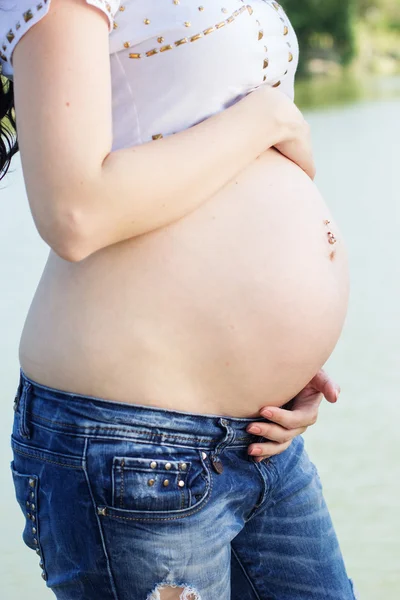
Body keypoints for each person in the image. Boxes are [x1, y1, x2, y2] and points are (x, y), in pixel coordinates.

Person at [0, 0, 358, 598]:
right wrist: (267, 118)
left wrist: (272, 362)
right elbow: (74, 211)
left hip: (259, 436)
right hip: (133, 443)